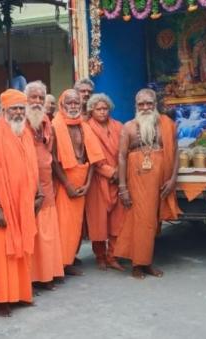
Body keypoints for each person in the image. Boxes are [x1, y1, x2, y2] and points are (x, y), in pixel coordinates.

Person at [0, 89, 42, 317]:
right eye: (13, 108)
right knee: (5, 250)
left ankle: (23, 294)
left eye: (20, 108)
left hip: (24, 201)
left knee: (23, 247)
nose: (17, 112)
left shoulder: (25, 132)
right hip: (3, 203)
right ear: (4, 110)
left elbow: (33, 166)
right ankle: (3, 299)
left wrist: (38, 192)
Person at [115, 88, 181, 279]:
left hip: (160, 180)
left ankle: (146, 261)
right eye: (141, 104)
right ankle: (138, 264)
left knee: (153, 223)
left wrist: (172, 180)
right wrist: (122, 188)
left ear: (155, 105)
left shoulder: (166, 125)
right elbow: (121, 157)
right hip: (137, 180)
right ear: (135, 106)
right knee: (140, 221)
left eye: (149, 104)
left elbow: (176, 152)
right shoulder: (128, 127)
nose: (145, 107)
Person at [52, 89, 104, 276]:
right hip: (65, 182)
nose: (73, 106)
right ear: (62, 105)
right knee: (62, 225)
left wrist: (88, 184)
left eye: (76, 102)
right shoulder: (55, 126)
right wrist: (67, 185)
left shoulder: (84, 126)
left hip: (82, 181)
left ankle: (70, 259)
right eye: (69, 103)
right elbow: (54, 161)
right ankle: (61, 264)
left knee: (76, 226)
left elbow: (92, 158)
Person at [24, 81, 64, 290]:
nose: (38, 101)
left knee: (47, 233)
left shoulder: (46, 121)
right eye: (34, 97)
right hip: (26, 186)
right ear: (26, 100)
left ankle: (47, 275)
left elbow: (52, 153)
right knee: (31, 232)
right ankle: (31, 278)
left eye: (41, 97)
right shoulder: (18, 122)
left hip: (46, 183)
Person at [84, 94, 125, 272]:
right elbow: (90, 155)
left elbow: (125, 151)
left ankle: (113, 256)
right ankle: (100, 256)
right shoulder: (86, 128)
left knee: (118, 221)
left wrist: (120, 173)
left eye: (105, 108)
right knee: (98, 221)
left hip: (117, 179)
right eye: (98, 109)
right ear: (91, 110)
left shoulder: (118, 126)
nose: (102, 112)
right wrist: (111, 172)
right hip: (97, 179)